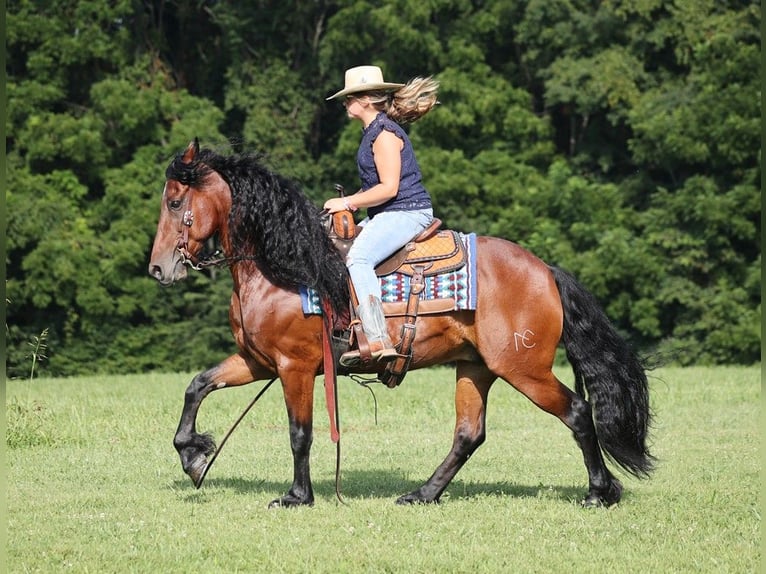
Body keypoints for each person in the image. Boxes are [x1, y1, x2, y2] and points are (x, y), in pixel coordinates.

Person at [324, 65, 439, 367]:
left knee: (359, 258)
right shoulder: (372, 132)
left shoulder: (385, 135)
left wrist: (347, 202)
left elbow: (388, 188)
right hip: (389, 212)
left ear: (364, 100)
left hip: (407, 212)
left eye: (348, 98)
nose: (345, 104)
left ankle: (377, 338)